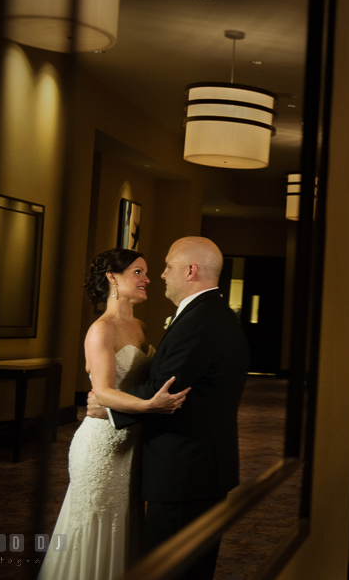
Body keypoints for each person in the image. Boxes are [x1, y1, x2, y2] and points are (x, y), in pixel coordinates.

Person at [88, 236, 249, 580]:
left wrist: (108, 408)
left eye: (167, 266)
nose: (160, 275)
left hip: (185, 469)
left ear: (190, 271)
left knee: (173, 568)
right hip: (200, 465)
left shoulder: (199, 321)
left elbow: (167, 387)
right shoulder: (212, 313)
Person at [39, 249, 188, 580]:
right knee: (96, 526)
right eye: (138, 272)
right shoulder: (101, 330)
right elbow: (103, 391)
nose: (147, 279)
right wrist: (151, 406)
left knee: (124, 525)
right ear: (112, 278)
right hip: (102, 446)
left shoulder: (141, 326)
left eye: (147, 272)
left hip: (132, 444)